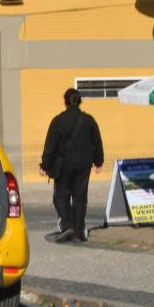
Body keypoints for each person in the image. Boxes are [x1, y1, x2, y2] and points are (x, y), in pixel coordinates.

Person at [39, 88, 104, 242]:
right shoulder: (89, 120)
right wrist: (98, 161)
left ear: (65, 102)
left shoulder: (58, 121)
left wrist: (45, 165)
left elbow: (50, 145)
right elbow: (97, 141)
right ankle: (79, 231)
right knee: (80, 198)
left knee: (61, 196)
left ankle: (68, 225)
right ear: (79, 101)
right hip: (83, 165)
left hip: (64, 165)